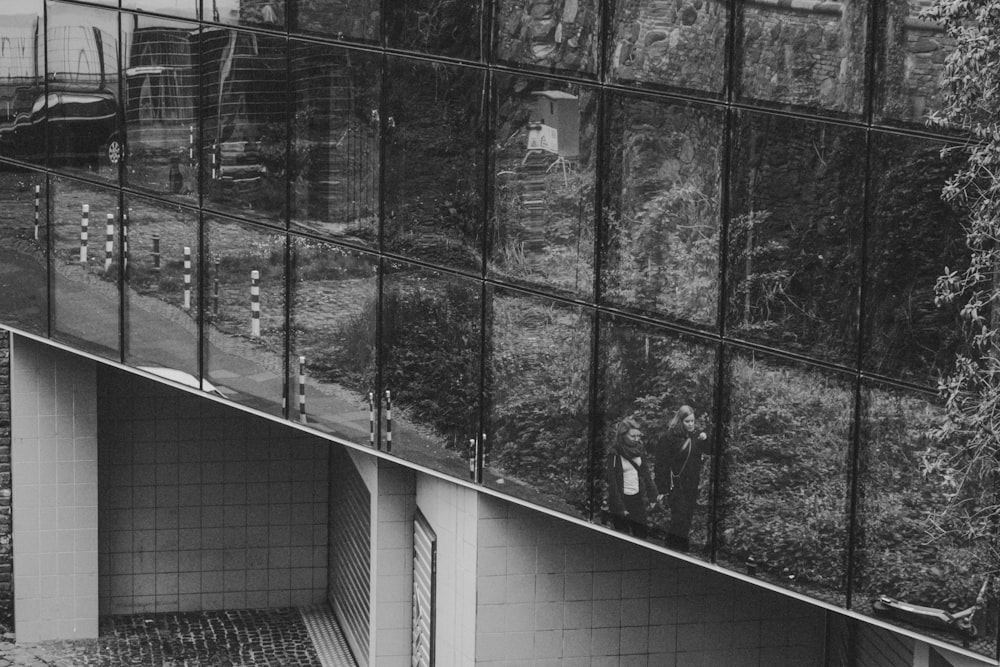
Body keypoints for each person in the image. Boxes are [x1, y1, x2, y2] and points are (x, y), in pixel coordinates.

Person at [655, 405, 710, 552]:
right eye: (687, 421)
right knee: (678, 519)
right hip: (676, 486)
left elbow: (709, 450)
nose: (691, 424)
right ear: (680, 421)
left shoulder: (696, 436)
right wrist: (663, 489)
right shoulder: (669, 438)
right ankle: (674, 550)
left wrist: (705, 439)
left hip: (691, 486)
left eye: (692, 421)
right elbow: (661, 464)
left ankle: (679, 550)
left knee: (687, 519)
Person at [605, 418, 660, 539]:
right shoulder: (614, 453)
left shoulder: (639, 450)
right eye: (632, 436)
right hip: (621, 498)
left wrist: (653, 496)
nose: (636, 439)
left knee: (641, 533)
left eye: (638, 436)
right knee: (622, 536)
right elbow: (612, 483)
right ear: (623, 435)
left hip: (637, 498)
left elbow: (645, 473)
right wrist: (620, 507)